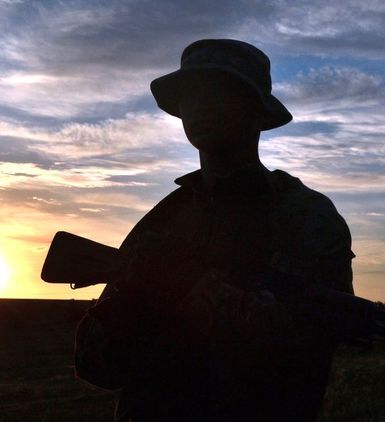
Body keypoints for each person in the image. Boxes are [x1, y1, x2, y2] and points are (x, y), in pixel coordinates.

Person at [75, 39, 354, 421]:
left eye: (220, 91)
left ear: (256, 110)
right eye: (190, 93)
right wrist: (131, 305)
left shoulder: (303, 214)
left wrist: (187, 287)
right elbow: (97, 367)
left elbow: (304, 353)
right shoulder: (166, 216)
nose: (201, 104)